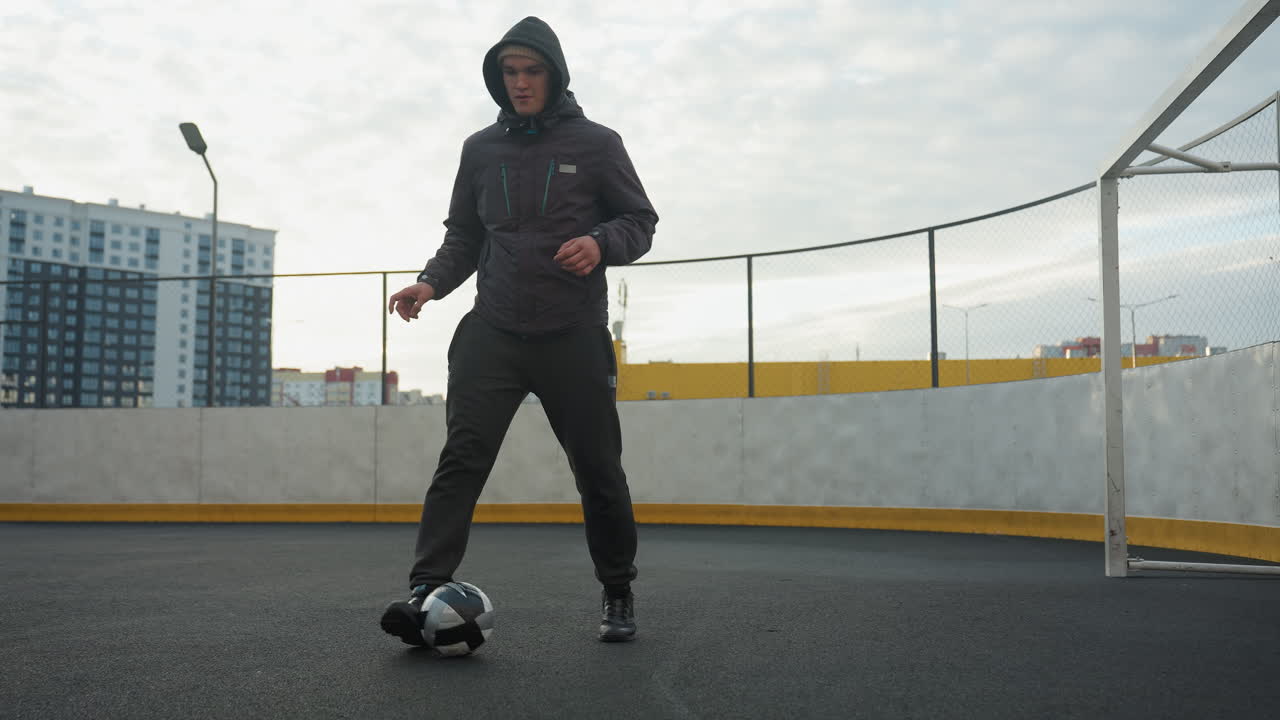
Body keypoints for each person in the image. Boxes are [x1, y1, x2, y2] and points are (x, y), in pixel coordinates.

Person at [380, 16, 657, 645]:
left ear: (554, 74)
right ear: (497, 78)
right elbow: (464, 235)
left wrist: (599, 241)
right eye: (510, 72)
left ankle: (617, 589)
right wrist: (431, 283)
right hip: (494, 332)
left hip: (573, 333)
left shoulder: (597, 144)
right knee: (460, 461)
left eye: (532, 71)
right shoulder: (480, 150)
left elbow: (640, 220)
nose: (521, 83)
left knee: (599, 471)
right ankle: (425, 591)